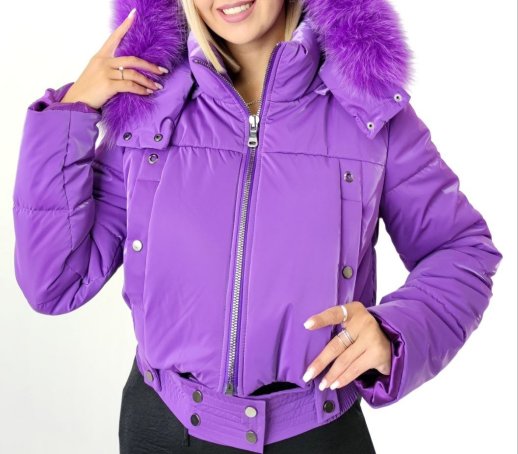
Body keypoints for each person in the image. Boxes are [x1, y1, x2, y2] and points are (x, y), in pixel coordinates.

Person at [12, 0, 503, 453]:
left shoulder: (367, 108)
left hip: (315, 437)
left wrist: (393, 331)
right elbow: (54, 282)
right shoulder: (149, 107)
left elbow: (462, 249)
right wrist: (73, 111)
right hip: (162, 431)